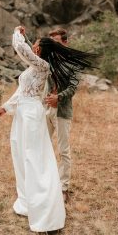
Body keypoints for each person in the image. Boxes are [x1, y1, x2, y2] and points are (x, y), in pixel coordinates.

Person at [0, 26, 98, 233]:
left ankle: (48, 215)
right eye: (33, 44)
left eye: (37, 45)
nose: (33, 46)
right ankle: (28, 202)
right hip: (22, 115)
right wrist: (5, 108)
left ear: (43, 51)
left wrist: (17, 32)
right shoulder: (33, 67)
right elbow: (21, 92)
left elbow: (20, 49)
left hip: (32, 115)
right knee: (22, 157)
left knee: (35, 160)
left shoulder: (42, 65)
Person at [45, 28, 76, 202]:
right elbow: (31, 52)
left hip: (62, 111)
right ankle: (46, 182)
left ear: (65, 42)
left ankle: (63, 187)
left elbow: (73, 88)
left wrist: (59, 97)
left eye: (56, 42)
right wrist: (22, 37)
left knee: (63, 151)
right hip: (46, 109)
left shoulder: (73, 62)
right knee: (43, 145)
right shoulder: (48, 61)